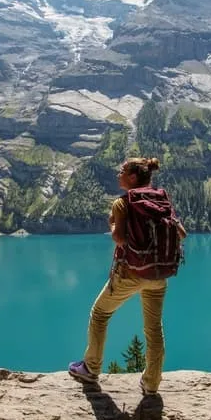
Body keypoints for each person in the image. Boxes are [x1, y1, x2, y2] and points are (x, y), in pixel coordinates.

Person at [68, 157, 186, 395]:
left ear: (132, 177)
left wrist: (112, 224)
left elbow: (120, 239)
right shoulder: (161, 199)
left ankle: (90, 369)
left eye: (121, 171)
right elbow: (181, 233)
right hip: (158, 273)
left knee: (100, 314)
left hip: (130, 273)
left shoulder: (123, 203)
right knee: (153, 327)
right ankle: (151, 383)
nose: (118, 175)